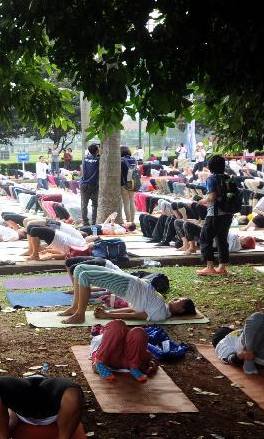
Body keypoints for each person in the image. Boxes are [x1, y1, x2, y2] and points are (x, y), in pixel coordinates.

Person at [61, 264, 196, 325]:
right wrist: (108, 312)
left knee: (85, 276)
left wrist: (108, 315)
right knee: (79, 269)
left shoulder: (161, 314)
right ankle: (75, 307)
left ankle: (80, 314)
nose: (175, 299)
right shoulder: (163, 306)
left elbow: (137, 315)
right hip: (129, 280)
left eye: (179, 301)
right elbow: (134, 309)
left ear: (181, 309)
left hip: (127, 286)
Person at [197, 154, 234, 276]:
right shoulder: (228, 178)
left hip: (215, 214)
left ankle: (210, 267)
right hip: (228, 213)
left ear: (210, 166)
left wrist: (202, 200)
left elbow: (211, 197)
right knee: (222, 239)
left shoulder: (211, 179)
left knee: (205, 238)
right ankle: (222, 267)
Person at [88, 319, 159, 381]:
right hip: (112, 360)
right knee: (117, 325)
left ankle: (134, 367)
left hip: (132, 362)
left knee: (138, 331)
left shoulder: (125, 334)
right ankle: (99, 362)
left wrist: (150, 362)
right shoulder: (98, 339)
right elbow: (95, 356)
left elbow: (147, 355)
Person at [80, 144, 100, 226]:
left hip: (84, 184)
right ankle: (94, 222)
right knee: (95, 205)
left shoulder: (85, 158)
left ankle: (85, 222)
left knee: (84, 205)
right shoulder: (99, 160)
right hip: (94, 185)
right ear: (97, 150)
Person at [119, 145, 137, 224]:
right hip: (133, 183)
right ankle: (132, 220)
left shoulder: (121, 161)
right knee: (132, 201)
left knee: (126, 203)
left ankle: (128, 220)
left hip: (124, 184)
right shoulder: (134, 159)